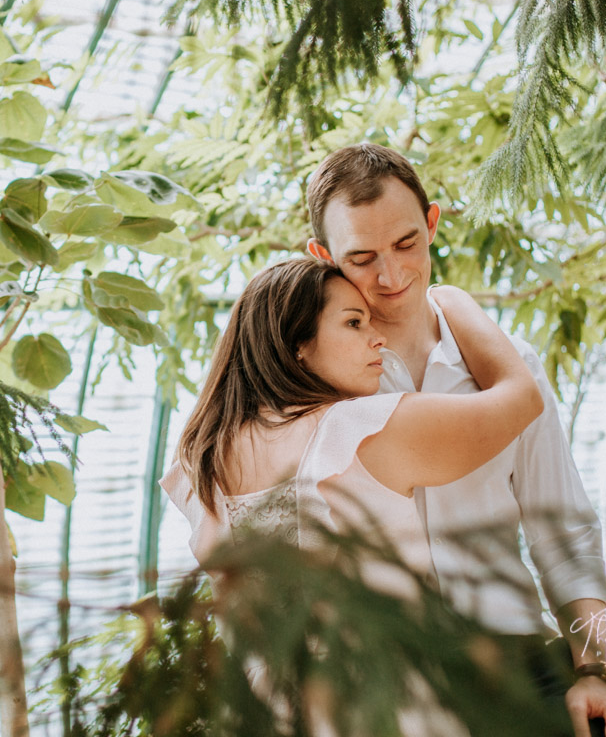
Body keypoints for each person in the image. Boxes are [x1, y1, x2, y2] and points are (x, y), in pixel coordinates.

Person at [304, 143, 606, 737]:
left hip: (520, 665)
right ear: (322, 256)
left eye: (407, 244)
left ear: (433, 223)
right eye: (362, 258)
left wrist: (595, 671)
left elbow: (564, 529)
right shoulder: (313, 386)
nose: (390, 276)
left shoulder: (510, 366)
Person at [159, 259, 545, 734]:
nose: (377, 337)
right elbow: (522, 398)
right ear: (297, 343)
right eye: (354, 322)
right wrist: (456, 303)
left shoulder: (202, 461)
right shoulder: (361, 431)